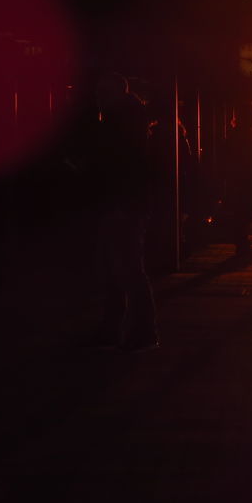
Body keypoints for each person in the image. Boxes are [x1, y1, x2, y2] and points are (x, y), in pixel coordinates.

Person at [92, 71, 158, 351]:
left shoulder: (118, 124)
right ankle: (128, 329)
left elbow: (120, 168)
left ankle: (131, 330)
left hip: (121, 204)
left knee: (124, 268)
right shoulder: (133, 121)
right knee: (125, 267)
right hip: (127, 203)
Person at [226, 101, 252, 265]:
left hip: (240, 180)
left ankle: (242, 243)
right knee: (245, 212)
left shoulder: (237, 133)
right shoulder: (246, 134)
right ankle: (241, 244)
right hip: (245, 180)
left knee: (243, 212)